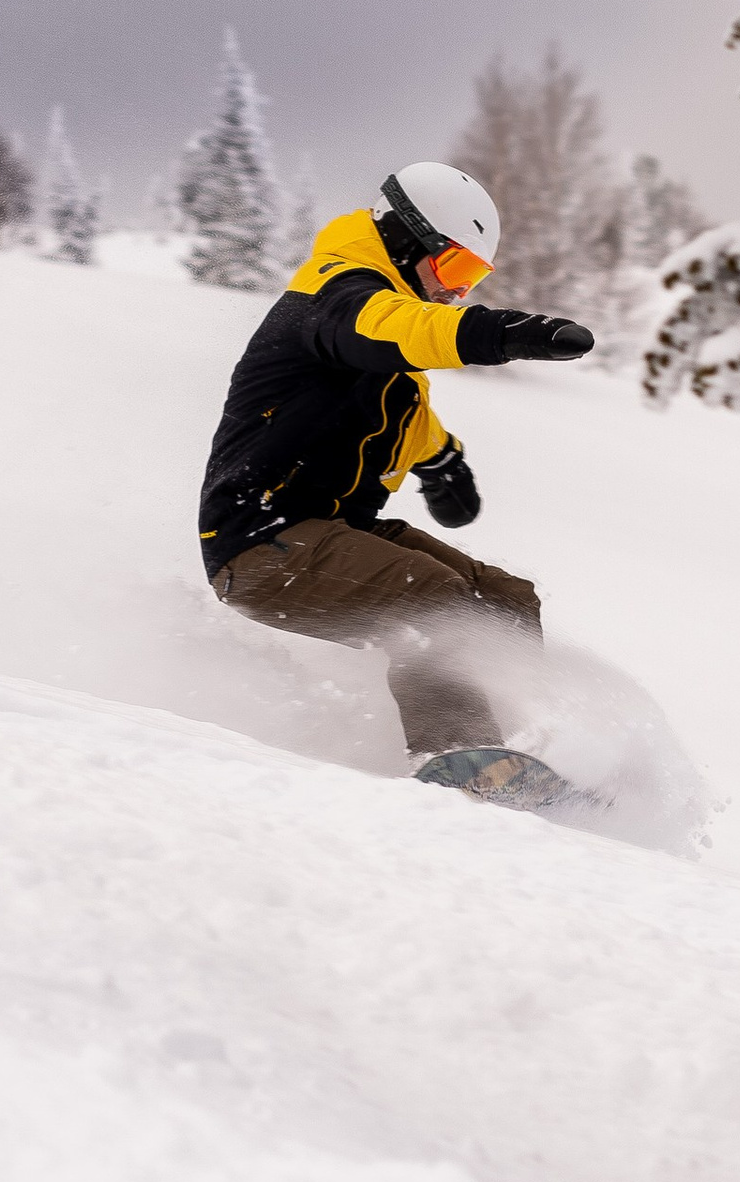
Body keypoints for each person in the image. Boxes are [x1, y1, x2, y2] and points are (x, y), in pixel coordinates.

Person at [198, 161, 596, 809]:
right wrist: (506, 333)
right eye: (454, 272)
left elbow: (408, 412)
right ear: (409, 242)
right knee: (434, 599)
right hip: (259, 544)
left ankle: (525, 746)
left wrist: (444, 464)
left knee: (503, 597)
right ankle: (457, 763)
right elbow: (401, 331)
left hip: (330, 531)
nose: (455, 295)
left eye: (471, 280)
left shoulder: (374, 333)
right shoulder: (335, 298)